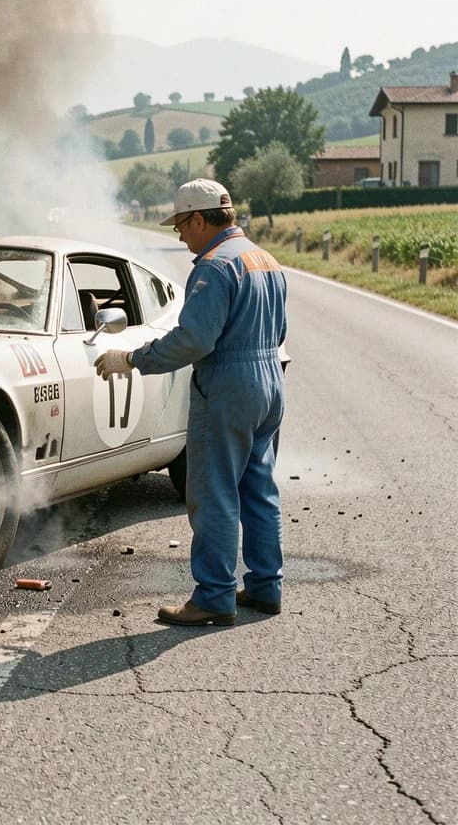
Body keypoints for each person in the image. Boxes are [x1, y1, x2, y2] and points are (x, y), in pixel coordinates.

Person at [95, 179, 287, 627]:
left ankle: (215, 598)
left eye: (181, 224)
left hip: (229, 384)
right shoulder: (265, 259)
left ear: (199, 219)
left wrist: (132, 359)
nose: (179, 235)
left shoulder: (215, 266)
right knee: (259, 489)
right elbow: (279, 331)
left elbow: (196, 339)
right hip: (270, 378)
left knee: (213, 491)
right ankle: (265, 586)